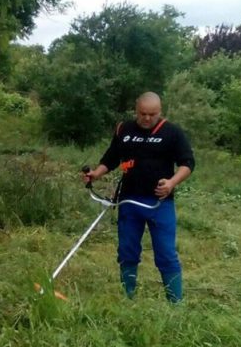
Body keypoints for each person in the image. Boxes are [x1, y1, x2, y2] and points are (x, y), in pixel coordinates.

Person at [83, 92, 195, 303]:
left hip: (159, 203)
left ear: (160, 111)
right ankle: (128, 297)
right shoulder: (123, 129)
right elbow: (111, 157)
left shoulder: (172, 133)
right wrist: (96, 173)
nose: (146, 118)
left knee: (165, 254)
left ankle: (175, 304)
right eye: (142, 113)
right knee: (127, 251)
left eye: (152, 114)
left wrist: (171, 183)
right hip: (128, 202)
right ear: (136, 110)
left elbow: (187, 163)